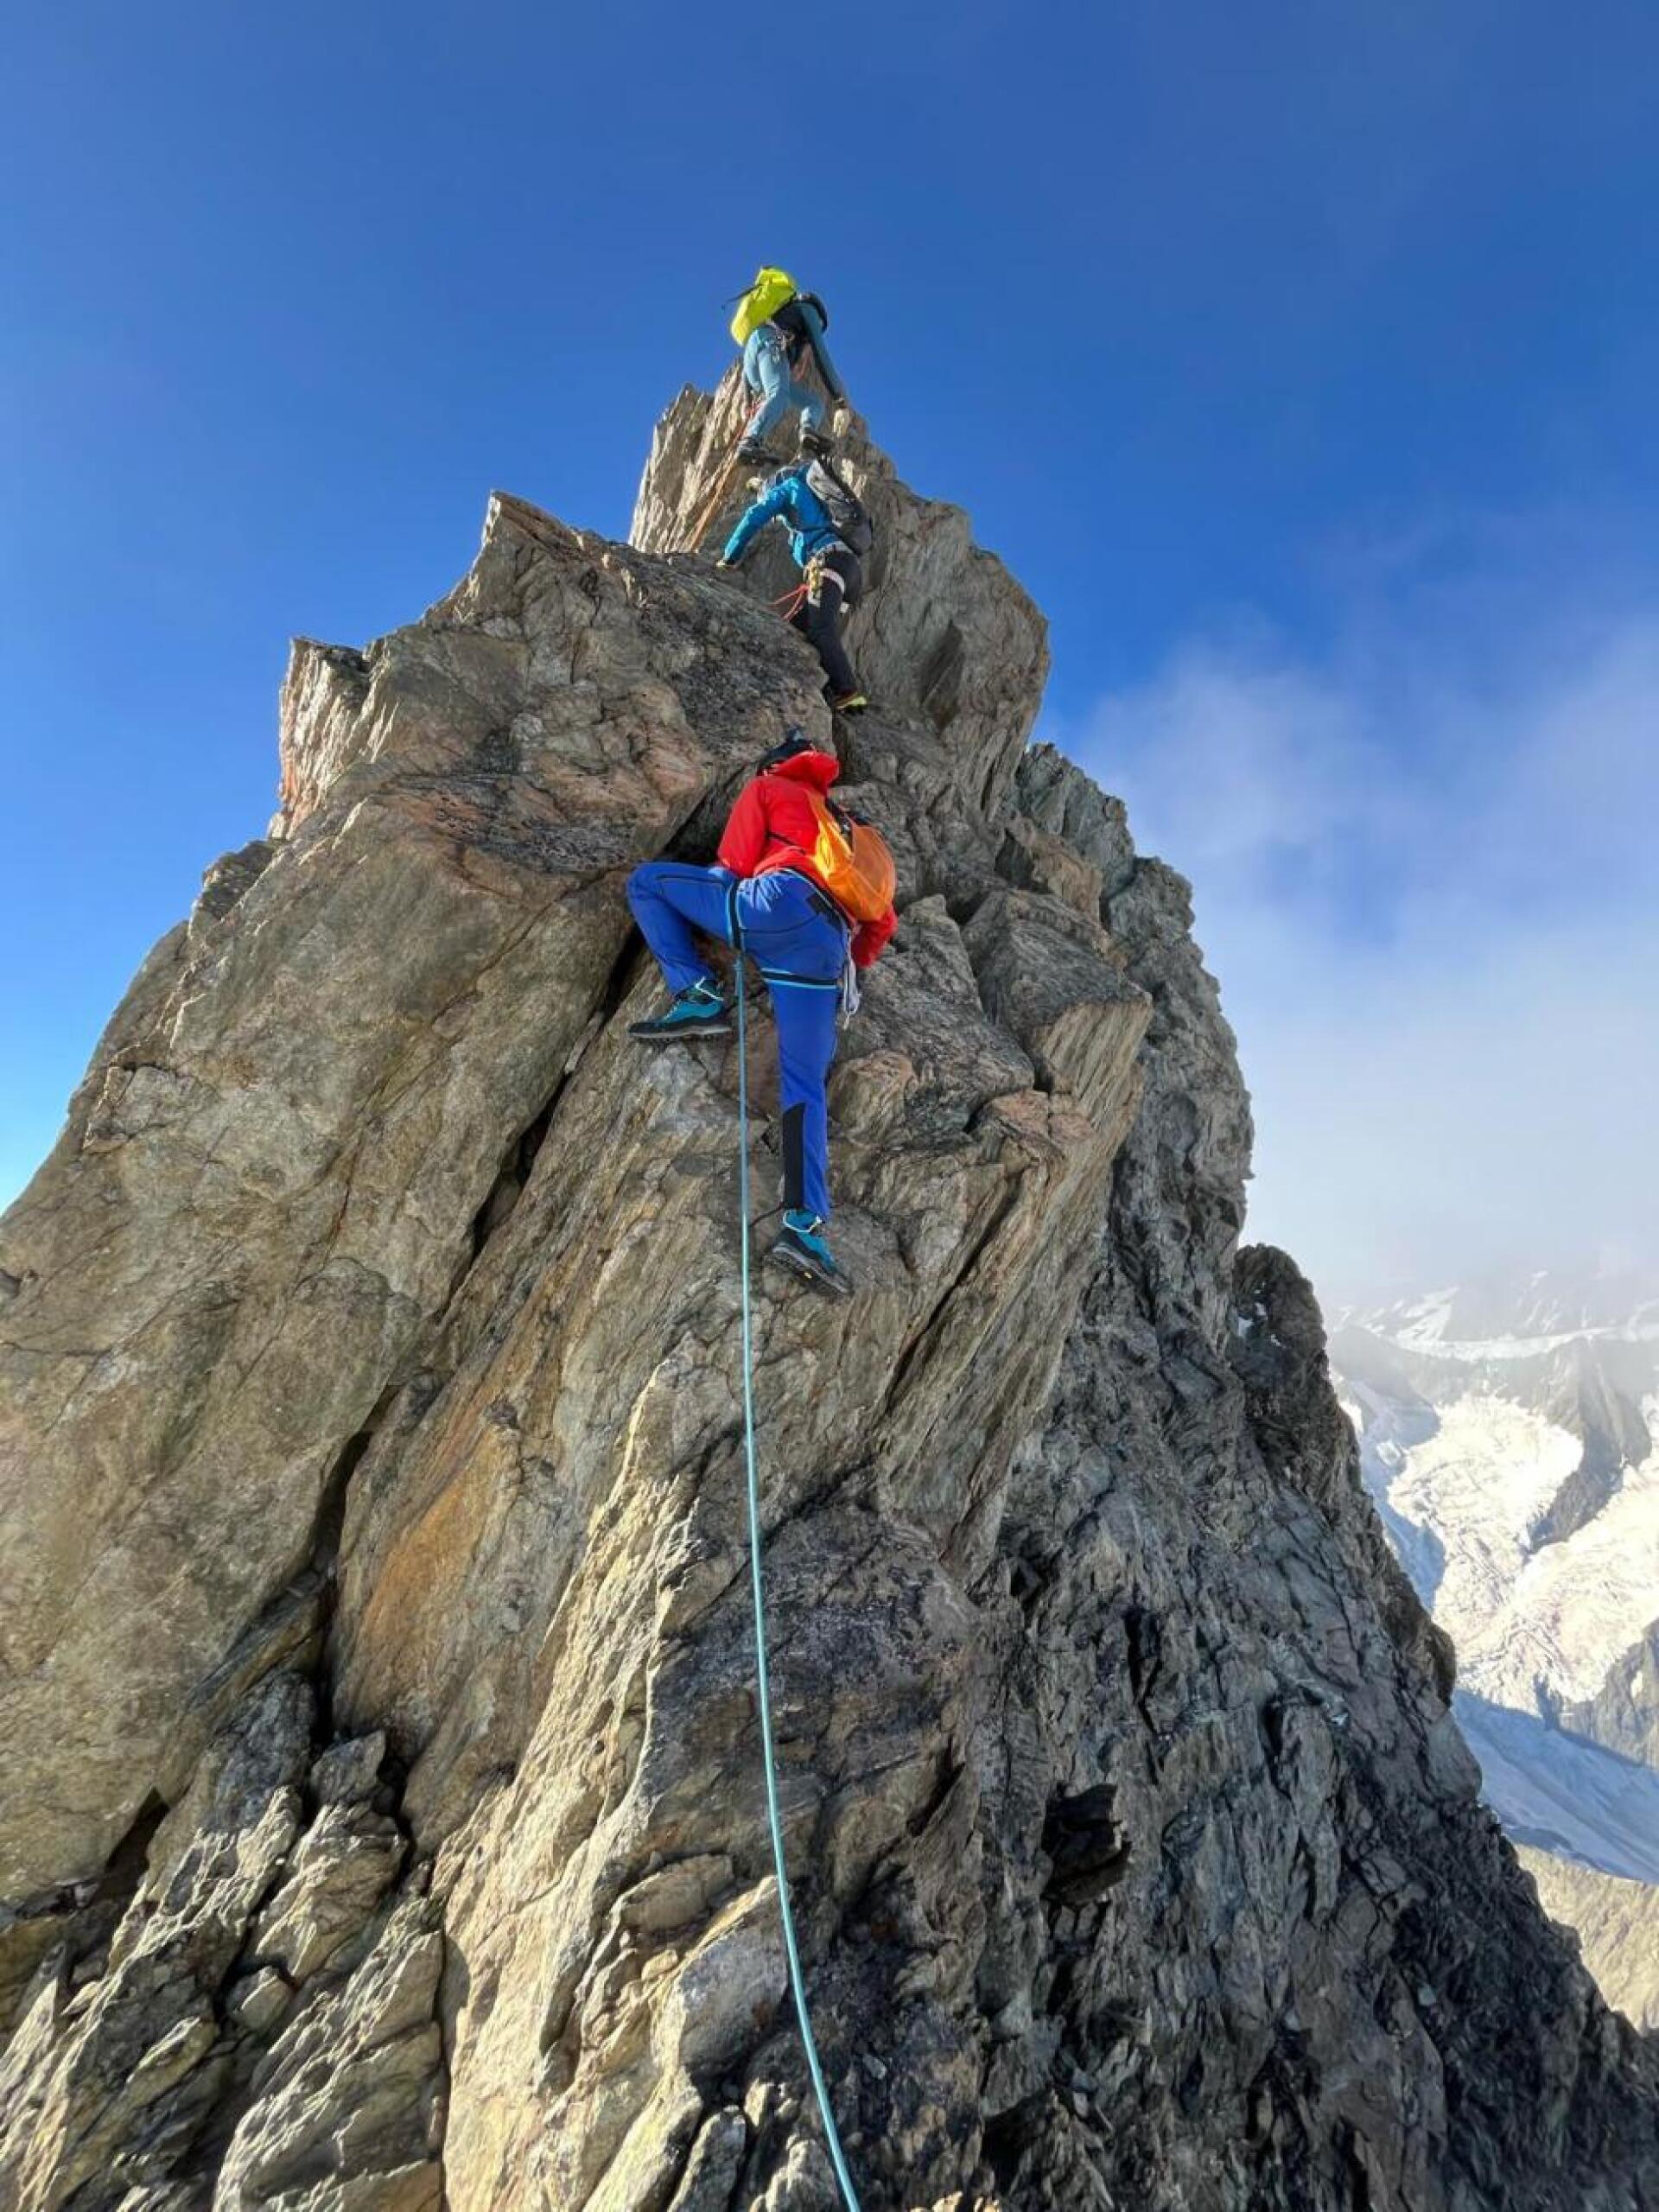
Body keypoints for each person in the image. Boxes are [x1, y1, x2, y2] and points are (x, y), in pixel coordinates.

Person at [626, 731, 897, 1295]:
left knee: (647, 882)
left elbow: (730, 868)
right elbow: (882, 925)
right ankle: (806, 1231)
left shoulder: (771, 787)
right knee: (805, 1087)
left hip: (777, 904)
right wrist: (845, 959)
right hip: (828, 950)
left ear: (778, 764)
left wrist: (724, 910)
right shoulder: (848, 826)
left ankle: (697, 993)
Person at [717, 462, 871, 715]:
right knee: (800, 630)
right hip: (848, 572)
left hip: (828, 563)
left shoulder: (789, 488)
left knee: (821, 629)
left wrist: (729, 558)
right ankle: (826, 685)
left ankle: (848, 692)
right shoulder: (816, 504)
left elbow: (755, 516)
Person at [736, 286, 848, 466]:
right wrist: (839, 400)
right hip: (769, 344)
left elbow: (747, 371)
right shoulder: (808, 309)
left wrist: (748, 402)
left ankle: (808, 430)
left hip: (755, 361)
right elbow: (821, 353)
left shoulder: (784, 321)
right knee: (779, 394)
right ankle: (750, 440)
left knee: (813, 402)